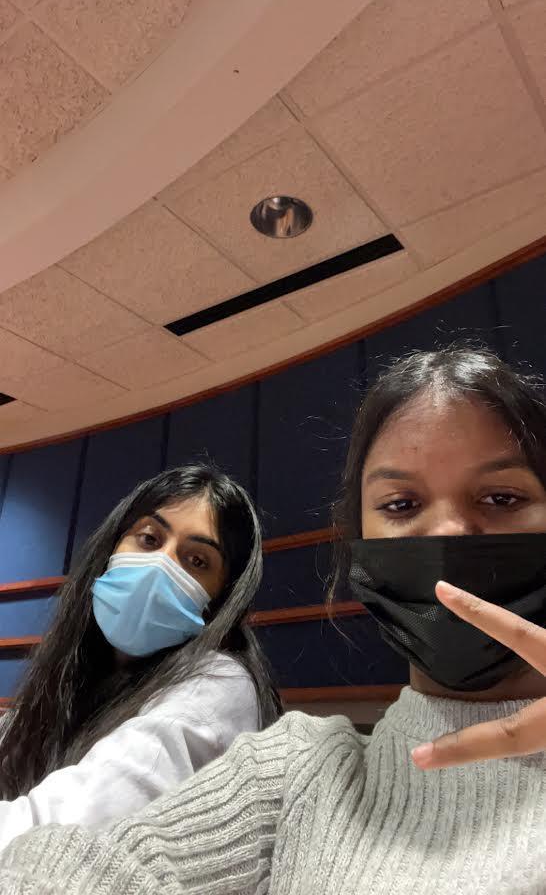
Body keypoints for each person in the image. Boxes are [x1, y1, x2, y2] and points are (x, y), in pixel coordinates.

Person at [2, 345, 546, 895]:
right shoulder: (297, 770)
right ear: (358, 546)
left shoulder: (218, 684)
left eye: (501, 497)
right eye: (401, 505)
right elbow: (88, 870)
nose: (448, 531)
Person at [0, 463, 281, 851]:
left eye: (197, 561)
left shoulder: (219, 684)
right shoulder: (81, 672)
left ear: (220, 599)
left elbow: (61, 835)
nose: (161, 565)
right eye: (149, 539)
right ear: (113, 547)